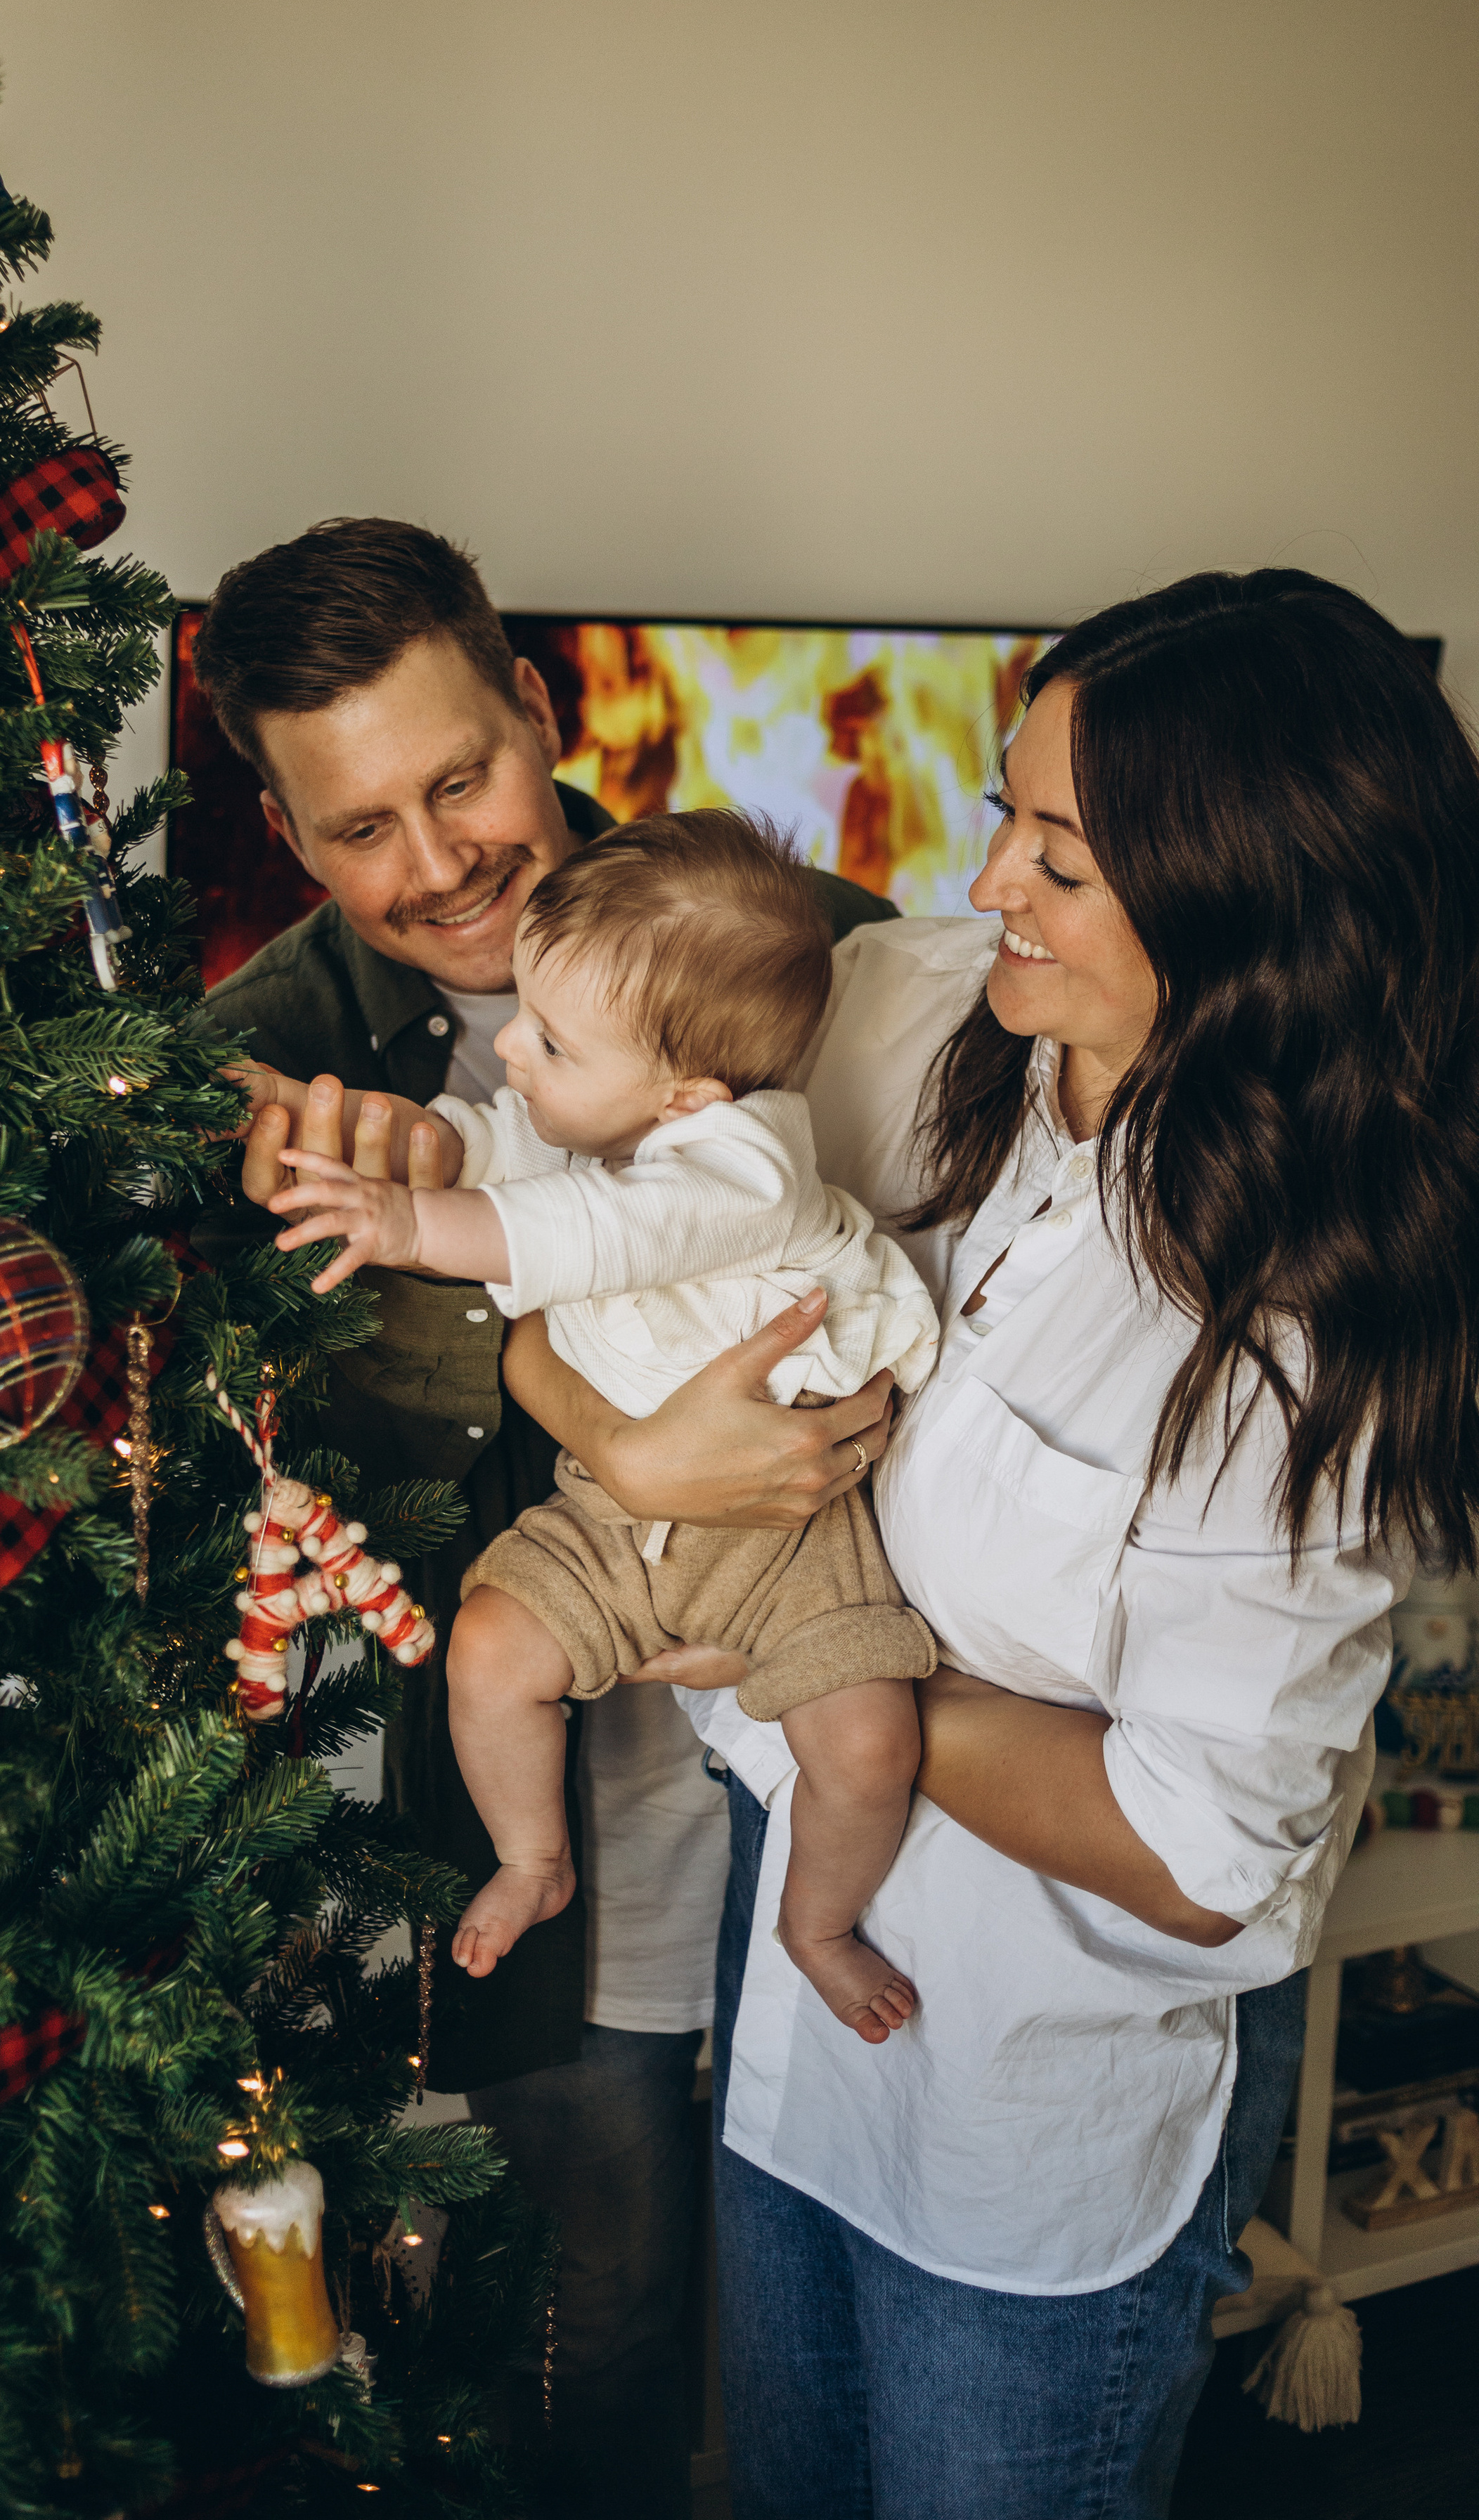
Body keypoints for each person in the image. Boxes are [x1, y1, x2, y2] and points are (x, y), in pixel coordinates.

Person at [496, 569, 1479, 2516]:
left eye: (1062, 854)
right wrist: (638, 1451)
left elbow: (1206, 1851)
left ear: (1247, 897)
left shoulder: (1291, 1333)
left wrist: (807, 1665)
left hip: (1027, 2130)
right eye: (1005, 812)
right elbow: (565, 1277)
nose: (990, 880)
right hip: (800, 2033)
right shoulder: (924, 1016)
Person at [184, 518, 900, 2516]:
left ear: (538, 706)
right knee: (588, 2323)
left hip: (877, 1779)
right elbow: (288, 1462)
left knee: (825, 2353)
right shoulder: (262, 1068)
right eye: (358, 830)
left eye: (461, 782)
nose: (434, 867)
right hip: (539, 1850)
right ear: (279, 824)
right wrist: (607, 1429)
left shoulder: (817, 946)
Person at [252, 810, 940, 2032]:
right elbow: (493, 1142)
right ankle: (533, 1858)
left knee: (870, 1743)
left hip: (793, 1541)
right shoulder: (602, 1114)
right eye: (522, 1009)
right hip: (610, 1513)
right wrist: (415, 1147)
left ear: (690, 1093)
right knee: (488, 1650)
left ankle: (819, 1921)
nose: (511, 1046)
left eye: (551, 1040)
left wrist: (408, 1231)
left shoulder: (744, 1166)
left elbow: (591, 1237)